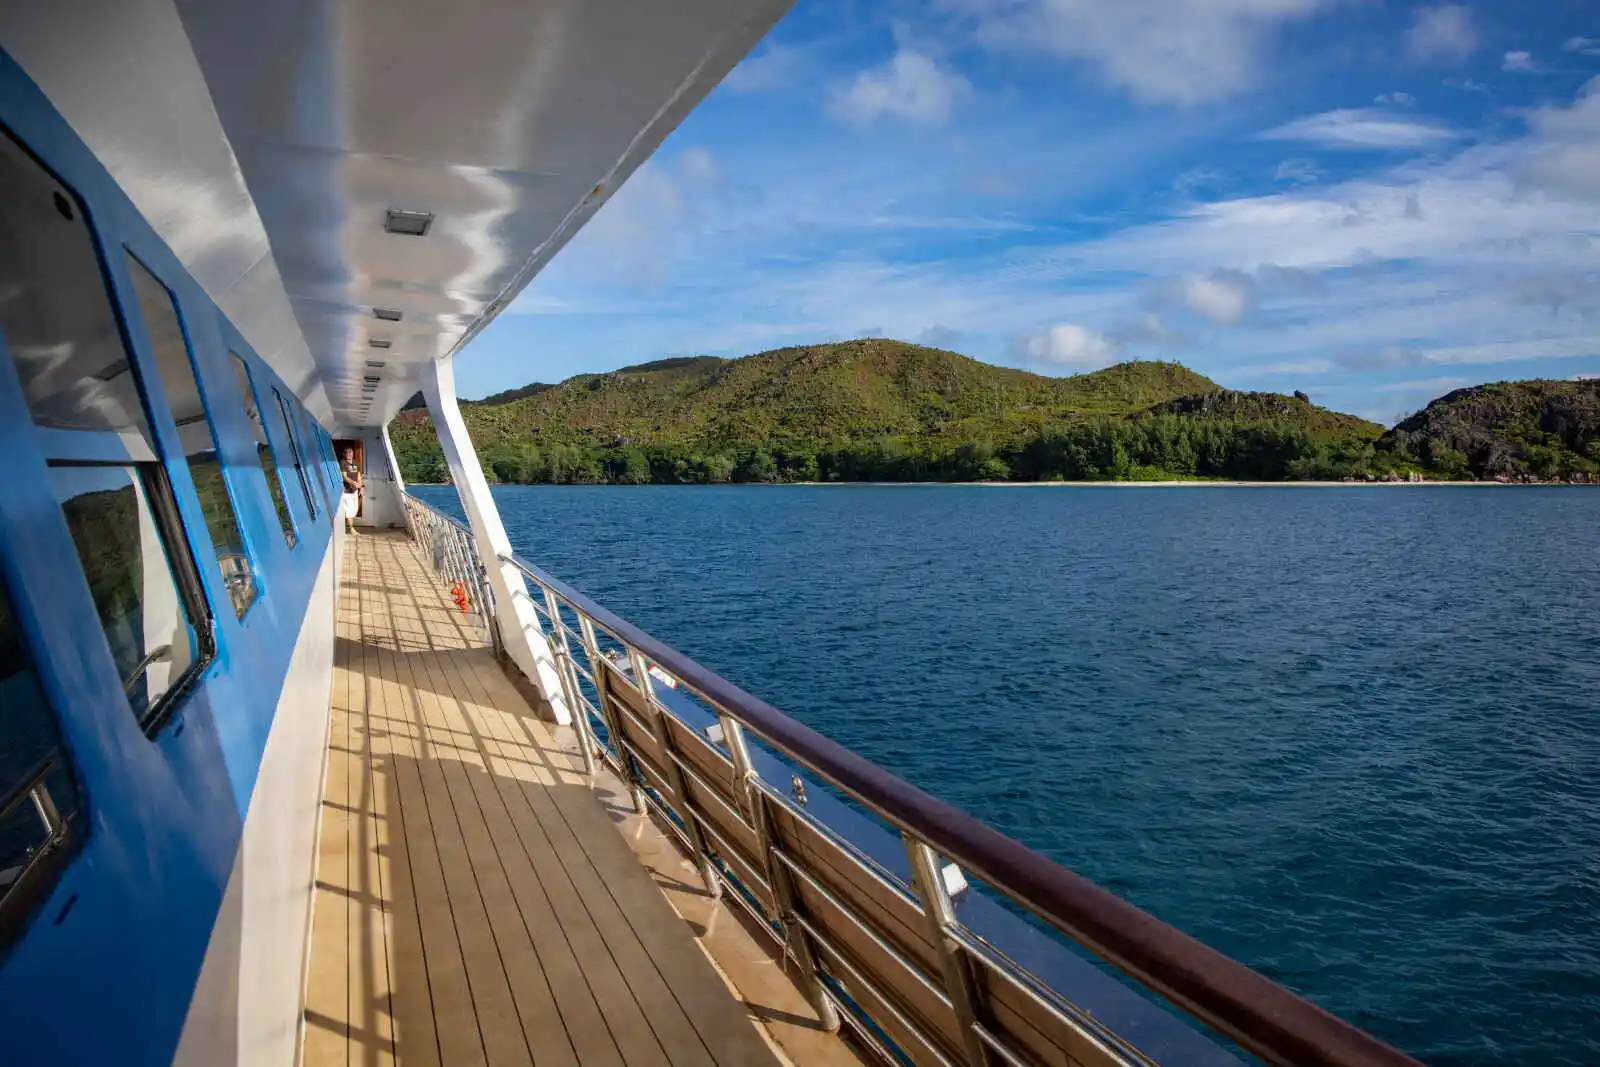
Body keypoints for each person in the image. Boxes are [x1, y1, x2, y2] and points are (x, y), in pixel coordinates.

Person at [340, 447, 363, 535]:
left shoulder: (356, 463)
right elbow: (345, 477)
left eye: (351, 452)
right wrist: (353, 483)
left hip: (355, 490)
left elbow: (359, 476)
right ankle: (351, 529)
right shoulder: (343, 463)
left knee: (355, 509)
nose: (349, 454)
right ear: (344, 454)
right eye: (347, 453)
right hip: (347, 491)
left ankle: (348, 524)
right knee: (349, 510)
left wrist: (361, 487)